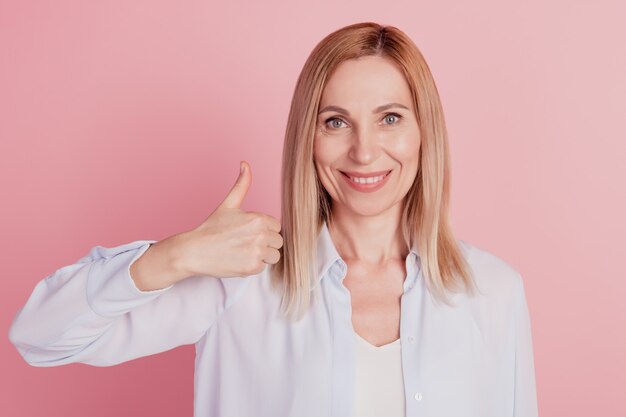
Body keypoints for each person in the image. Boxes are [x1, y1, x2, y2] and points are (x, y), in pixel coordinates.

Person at [8, 22, 538, 417]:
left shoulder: (493, 293)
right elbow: (40, 336)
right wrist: (178, 254)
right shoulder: (241, 282)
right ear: (308, 138)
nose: (364, 149)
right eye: (336, 122)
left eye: (390, 118)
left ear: (425, 134)